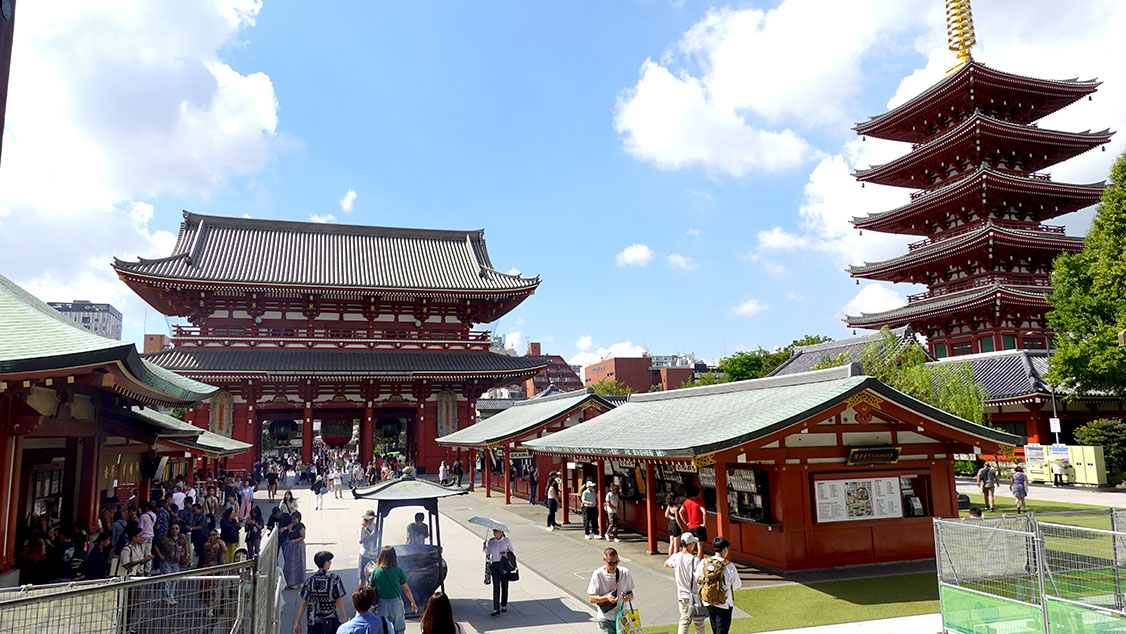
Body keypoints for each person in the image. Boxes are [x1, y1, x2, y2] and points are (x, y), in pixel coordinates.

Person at [695, 537, 742, 634]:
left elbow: (697, 579)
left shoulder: (705, 562)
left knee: (714, 627)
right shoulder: (729, 566)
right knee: (722, 629)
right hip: (723, 602)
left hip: (708, 601)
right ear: (725, 549)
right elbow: (737, 585)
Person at [294, 551, 347, 634]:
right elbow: (338, 599)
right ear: (326, 563)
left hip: (313, 622)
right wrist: (344, 615)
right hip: (329, 620)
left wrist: (298, 621)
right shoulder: (334, 579)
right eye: (329, 561)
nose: (331, 562)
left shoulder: (309, 581)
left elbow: (304, 602)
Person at [369, 545, 418, 634]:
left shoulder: (376, 572)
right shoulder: (399, 571)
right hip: (396, 604)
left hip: (382, 604)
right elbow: (406, 589)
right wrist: (412, 602)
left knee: (383, 630)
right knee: (399, 630)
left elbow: (370, 588)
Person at [665, 533, 706, 634]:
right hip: (694, 594)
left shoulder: (676, 557)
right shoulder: (694, 560)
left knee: (684, 620)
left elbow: (666, 564)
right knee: (699, 622)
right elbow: (698, 578)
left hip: (681, 594)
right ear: (690, 544)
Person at [588, 547, 635, 634]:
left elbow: (631, 594)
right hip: (605, 618)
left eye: (616, 562)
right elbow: (591, 599)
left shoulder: (625, 572)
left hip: (622, 617)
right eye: (611, 563)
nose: (614, 566)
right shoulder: (598, 574)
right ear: (604, 560)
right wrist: (606, 598)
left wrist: (627, 597)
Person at [483, 529, 514, 616]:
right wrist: (485, 546)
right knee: (496, 587)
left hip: (504, 565)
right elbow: (487, 552)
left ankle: (503, 604)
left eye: (497, 532)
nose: (495, 534)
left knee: (504, 586)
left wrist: (506, 555)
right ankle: (496, 608)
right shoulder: (491, 541)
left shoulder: (507, 541)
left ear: (501, 532)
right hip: (495, 566)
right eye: (494, 532)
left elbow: (512, 552)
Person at [152, 523, 182, 605]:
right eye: (173, 528)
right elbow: (156, 545)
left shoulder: (181, 538)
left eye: (176, 528)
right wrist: (160, 555)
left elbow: (184, 546)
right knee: (166, 580)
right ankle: (166, 598)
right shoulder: (165, 539)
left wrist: (185, 555)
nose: (175, 530)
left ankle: (171, 597)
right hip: (166, 561)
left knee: (174, 580)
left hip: (176, 561)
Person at [679, 486, 706, 558]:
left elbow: (680, 512)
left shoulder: (687, 501)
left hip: (691, 526)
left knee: (691, 547)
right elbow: (704, 512)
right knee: (700, 547)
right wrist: (704, 523)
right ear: (698, 493)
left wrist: (686, 522)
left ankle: (691, 561)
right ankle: (699, 563)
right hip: (699, 526)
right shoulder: (699, 501)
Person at [284, 511, 308, 589]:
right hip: (291, 547)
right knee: (291, 564)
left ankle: (299, 581)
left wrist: (294, 541)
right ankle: (292, 581)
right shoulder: (292, 526)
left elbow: (303, 537)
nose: (293, 520)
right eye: (292, 519)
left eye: (295, 519)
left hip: (298, 547)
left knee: (299, 563)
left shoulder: (301, 526)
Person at [359, 510, 380, 586]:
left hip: (373, 553)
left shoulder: (375, 526)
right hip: (364, 553)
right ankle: (361, 591)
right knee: (362, 576)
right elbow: (361, 541)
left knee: (371, 575)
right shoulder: (362, 527)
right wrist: (371, 535)